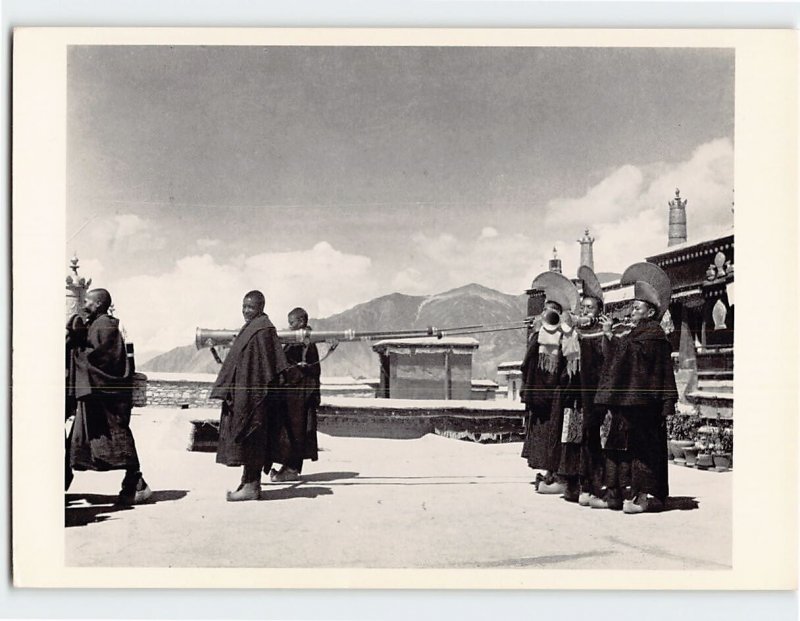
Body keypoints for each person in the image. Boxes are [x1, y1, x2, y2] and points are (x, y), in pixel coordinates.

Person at [594, 263, 678, 514]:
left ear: (650, 312)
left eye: (637, 307)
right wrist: (611, 338)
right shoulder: (636, 333)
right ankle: (618, 493)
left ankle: (642, 496)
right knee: (620, 446)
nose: (632, 311)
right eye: (632, 306)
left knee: (643, 450)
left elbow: (632, 356)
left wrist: (612, 338)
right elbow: (620, 356)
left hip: (645, 405)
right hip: (629, 402)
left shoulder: (653, 335)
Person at [67, 288, 152, 504]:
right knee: (77, 443)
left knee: (117, 438)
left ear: (97, 304)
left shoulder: (105, 326)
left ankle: (137, 483)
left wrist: (77, 352)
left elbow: (101, 359)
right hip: (96, 397)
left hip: (107, 399)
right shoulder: (98, 324)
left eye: (87, 301)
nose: (85, 304)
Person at [211, 290, 289, 501]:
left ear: (261, 307)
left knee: (252, 436)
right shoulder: (253, 328)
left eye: (251, 307)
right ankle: (248, 482)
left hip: (255, 397)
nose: (246, 311)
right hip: (246, 394)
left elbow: (266, 367)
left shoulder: (263, 330)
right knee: (248, 437)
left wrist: (252, 394)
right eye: (244, 306)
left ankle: (252, 486)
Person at [520, 271, 581, 496]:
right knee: (543, 435)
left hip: (557, 394)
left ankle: (557, 475)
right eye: (546, 309)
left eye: (552, 310)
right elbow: (529, 363)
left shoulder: (567, 336)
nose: (548, 314)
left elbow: (571, 365)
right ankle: (548, 472)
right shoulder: (539, 335)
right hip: (540, 395)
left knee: (556, 436)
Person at [267, 307, 321, 483]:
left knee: (296, 432)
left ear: (302, 322)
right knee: (289, 432)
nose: (289, 327)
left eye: (292, 323)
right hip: (292, 395)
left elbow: (305, 369)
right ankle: (287, 467)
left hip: (299, 397)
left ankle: (291, 469)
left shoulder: (305, 341)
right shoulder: (297, 340)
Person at [574, 266, 609, 507]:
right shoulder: (575, 332)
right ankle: (581, 485)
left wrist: (606, 335)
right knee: (579, 440)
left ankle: (597, 485)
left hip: (596, 396)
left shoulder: (604, 332)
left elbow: (609, 360)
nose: (585, 311)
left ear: (598, 312)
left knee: (595, 440)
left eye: (590, 308)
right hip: (577, 395)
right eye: (583, 307)